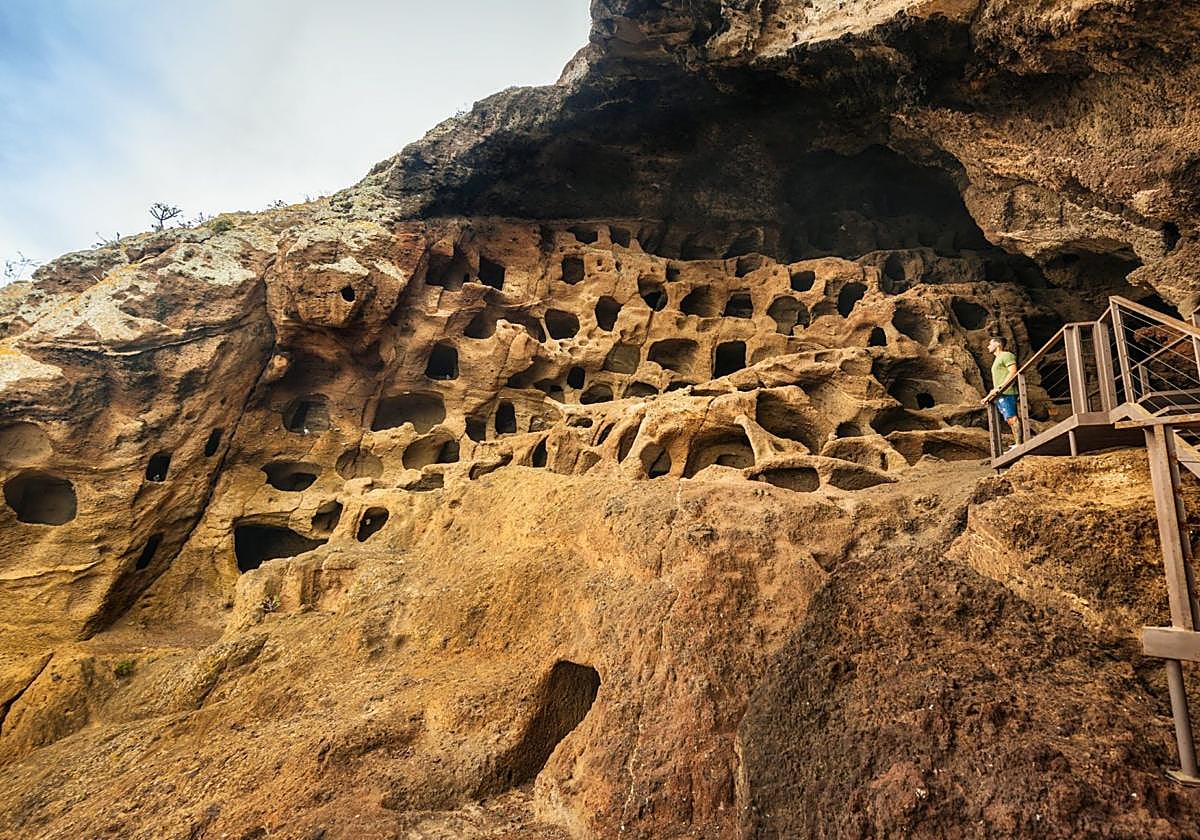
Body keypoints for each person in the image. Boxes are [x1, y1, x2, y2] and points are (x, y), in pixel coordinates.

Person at [983, 336, 1021, 447]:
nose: (988, 346)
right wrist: (989, 396)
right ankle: (1017, 443)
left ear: (998, 344)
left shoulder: (1006, 355)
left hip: (1007, 392)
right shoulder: (997, 359)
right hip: (1001, 393)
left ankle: (1019, 444)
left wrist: (1002, 387)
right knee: (1009, 419)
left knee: (1011, 417)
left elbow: (1013, 371)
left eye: (990, 344)